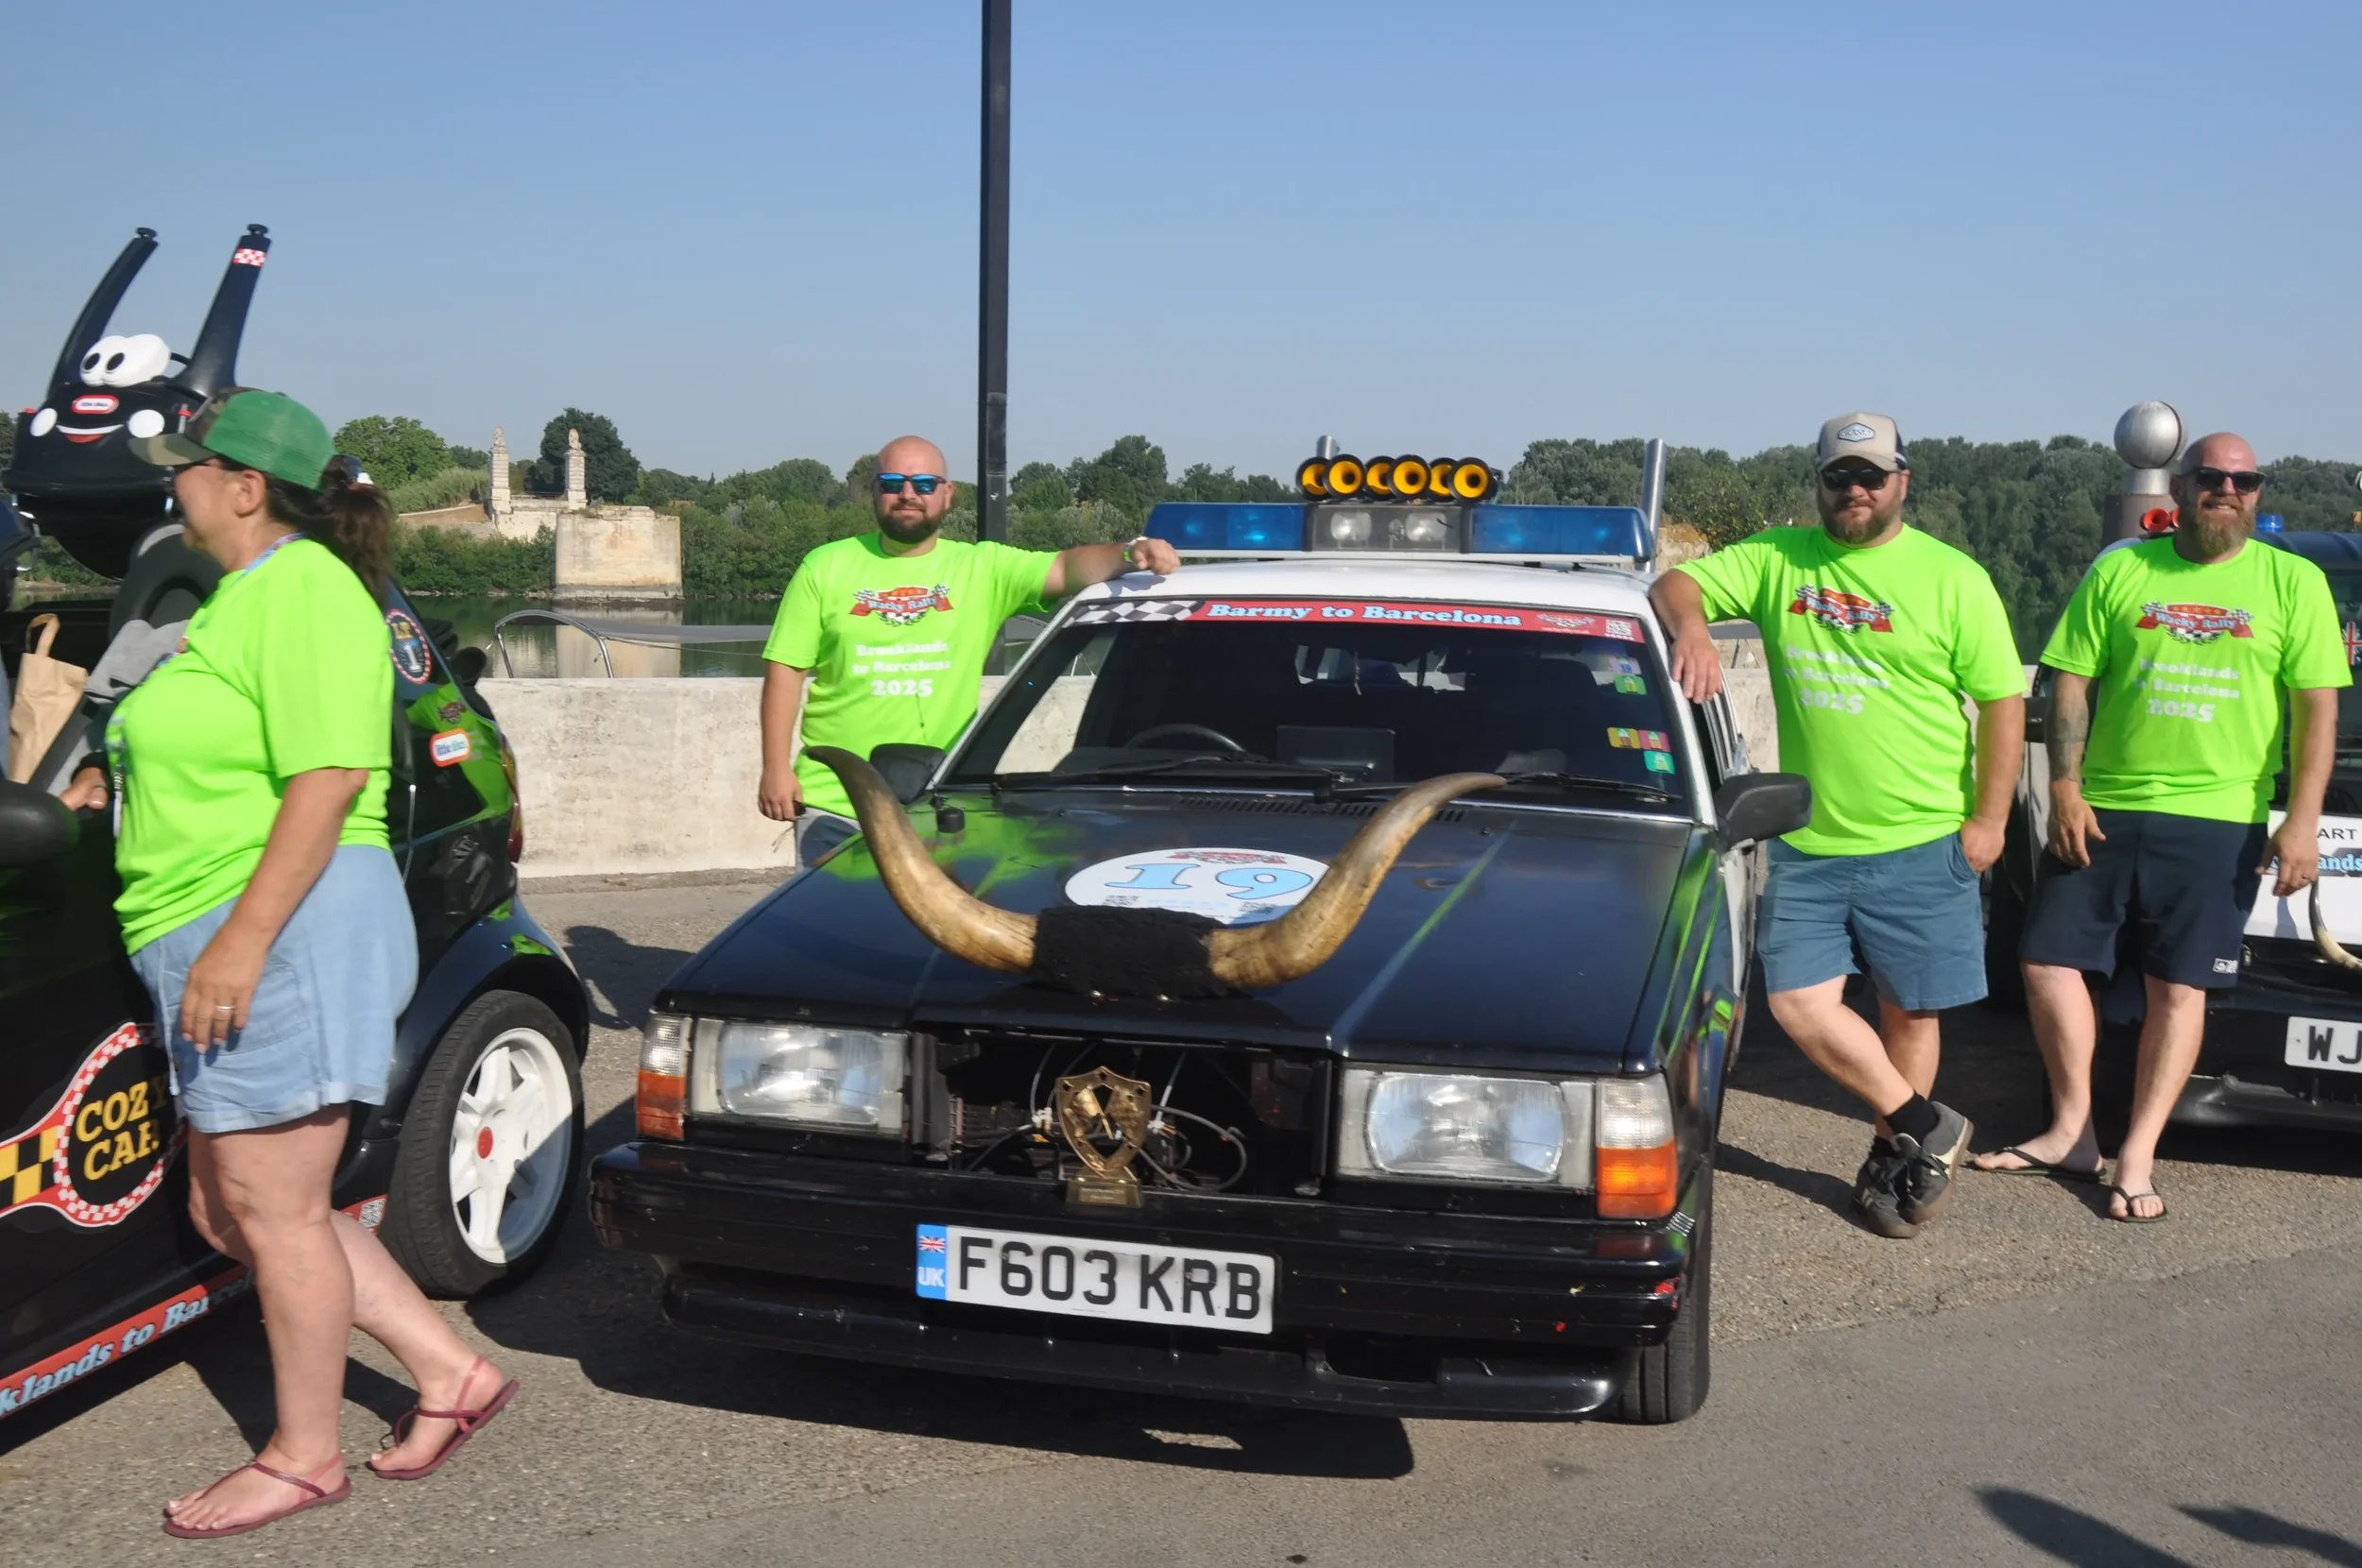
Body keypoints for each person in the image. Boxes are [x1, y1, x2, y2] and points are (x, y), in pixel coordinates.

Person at [94, 389, 513, 1538]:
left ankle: (302, 1454)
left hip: (280, 929)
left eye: (186, 468)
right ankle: (449, 1371)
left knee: (270, 1210)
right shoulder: (244, 599)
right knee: (241, 1206)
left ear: (243, 487)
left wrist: (238, 941)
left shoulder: (308, 590)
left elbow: (327, 780)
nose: (168, 484)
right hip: (229, 922)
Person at [1652, 413, 2027, 1238]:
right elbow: (1673, 584)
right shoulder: (1782, 558)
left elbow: (2004, 701)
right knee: (1796, 1004)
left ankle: (1897, 1162)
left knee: (1910, 1015)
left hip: (1925, 836)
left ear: (1902, 480)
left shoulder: (1952, 577)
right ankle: (1928, 1126)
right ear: (1818, 482)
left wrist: (1990, 819)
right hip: (1812, 841)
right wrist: (1695, 628)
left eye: (1870, 476)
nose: (1854, 491)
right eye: (1838, 477)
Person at [1972, 434, 2346, 1221]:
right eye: (2212, 478)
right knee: (2045, 963)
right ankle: (2072, 1131)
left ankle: (2136, 1155)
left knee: (2181, 988)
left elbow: (2318, 710)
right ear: (2180, 486)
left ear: (2256, 492)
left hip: (2219, 818)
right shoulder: (2122, 568)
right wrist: (2066, 787)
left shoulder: (2294, 582)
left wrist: (2302, 820)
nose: (2228, 490)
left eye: (2245, 481)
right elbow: (2069, 680)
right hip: (2105, 806)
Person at [758, 435, 1179, 861]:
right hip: (836, 805)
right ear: (874, 491)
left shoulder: (983, 568)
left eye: (923, 484)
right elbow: (785, 670)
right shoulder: (825, 566)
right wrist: (775, 768)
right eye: (892, 483)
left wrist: (1131, 551)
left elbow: (1066, 567)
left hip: (939, 806)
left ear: (947, 493)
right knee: (833, 926)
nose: (908, 495)